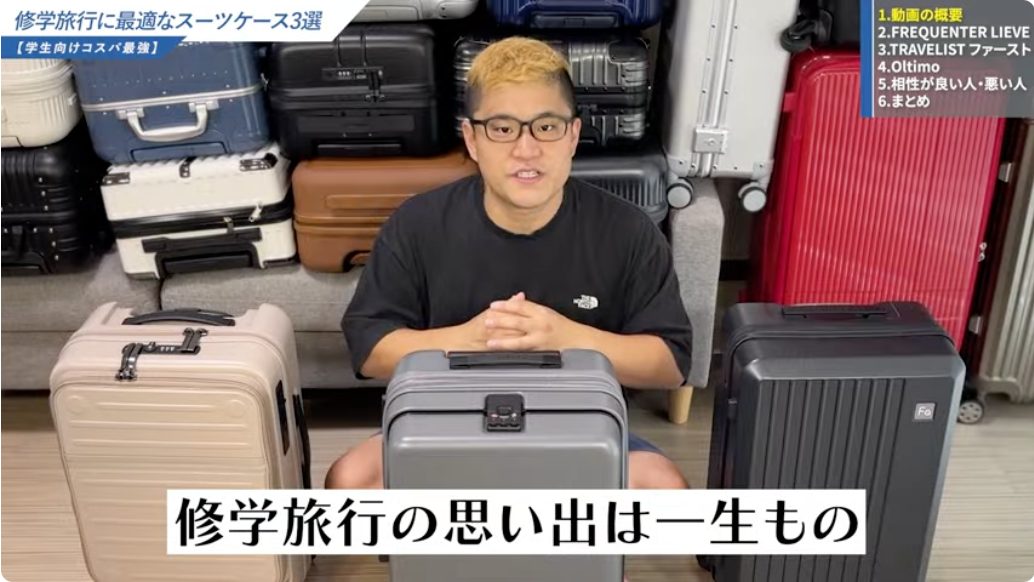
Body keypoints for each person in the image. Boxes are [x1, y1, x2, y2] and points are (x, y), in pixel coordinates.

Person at [327, 36, 693, 492]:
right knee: (352, 481)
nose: (526, 149)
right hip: (444, 420)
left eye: (546, 127)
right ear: (472, 139)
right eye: (502, 129)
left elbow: (670, 363)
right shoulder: (417, 223)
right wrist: (472, 341)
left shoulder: (628, 230)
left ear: (573, 135)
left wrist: (565, 339)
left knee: (663, 490)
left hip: (579, 425)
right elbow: (369, 349)